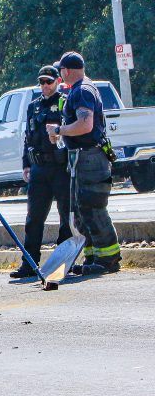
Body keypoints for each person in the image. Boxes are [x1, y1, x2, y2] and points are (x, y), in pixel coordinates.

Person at [46, 52, 120, 274]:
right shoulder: (78, 90)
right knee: (80, 210)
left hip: (90, 157)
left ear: (66, 71)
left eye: (60, 70)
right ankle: (93, 257)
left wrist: (59, 130)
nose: (60, 74)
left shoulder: (83, 91)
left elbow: (85, 125)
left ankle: (108, 259)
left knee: (92, 206)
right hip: (81, 157)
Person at [10, 65, 72, 278]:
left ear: (57, 82)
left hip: (60, 168)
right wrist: (26, 164)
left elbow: (72, 131)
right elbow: (28, 137)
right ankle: (29, 264)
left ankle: (63, 263)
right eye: (42, 82)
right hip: (39, 168)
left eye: (49, 82)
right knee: (34, 218)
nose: (45, 86)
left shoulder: (65, 102)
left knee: (66, 217)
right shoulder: (33, 106)